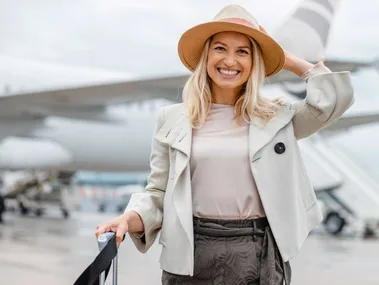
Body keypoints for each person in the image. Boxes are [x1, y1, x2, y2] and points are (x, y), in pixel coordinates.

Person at [96, 4, 354, 285]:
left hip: (258, 254)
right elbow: (158, 192)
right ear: (206, 56)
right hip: (190, 254)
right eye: (220, 48)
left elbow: (333, 101)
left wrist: (285, 58)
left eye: (243, 51)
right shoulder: (172, 119)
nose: (230, 60)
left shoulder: (278, 118)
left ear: (254, 61)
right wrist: (128, 218)